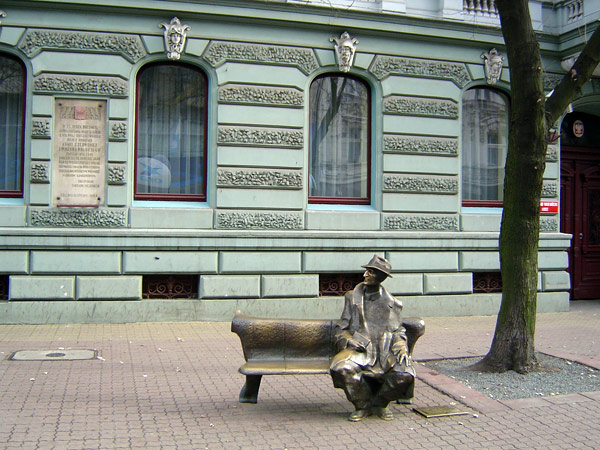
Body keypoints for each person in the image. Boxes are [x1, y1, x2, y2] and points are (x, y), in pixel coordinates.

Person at [329, 255, 415, 421]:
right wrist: (349, 340)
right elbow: (341, 328)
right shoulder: (352, 297)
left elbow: (398, 331)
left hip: (384, 351)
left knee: (404, 374)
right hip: (360, 350)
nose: (365, 275)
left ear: (381, 277)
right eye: (366, 271)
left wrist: (402, 346)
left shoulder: (394, 304)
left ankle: (379, 404)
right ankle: (362, 405)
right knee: (341, 368)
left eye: (370, 272)